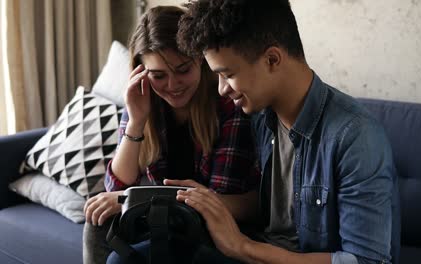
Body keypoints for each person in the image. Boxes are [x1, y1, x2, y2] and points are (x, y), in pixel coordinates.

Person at [175, 0, 401, 263]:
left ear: (272, 59)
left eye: (228, 75)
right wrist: (207, 202)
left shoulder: (355, 136)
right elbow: (275, 207)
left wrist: (243, 247)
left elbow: (366, 261)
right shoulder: (260, 115)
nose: (222, 89)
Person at [82, 6, 260, 264]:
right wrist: (136, 121)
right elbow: (117, 186)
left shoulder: (227, 105)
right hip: (163, 220)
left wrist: (129, 200)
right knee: (97, 220)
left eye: (183, 70)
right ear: (142, 72)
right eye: (158, 75)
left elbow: (212, 203)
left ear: (200, 59)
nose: (173, 85)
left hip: (214, 227)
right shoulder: (143, 101)